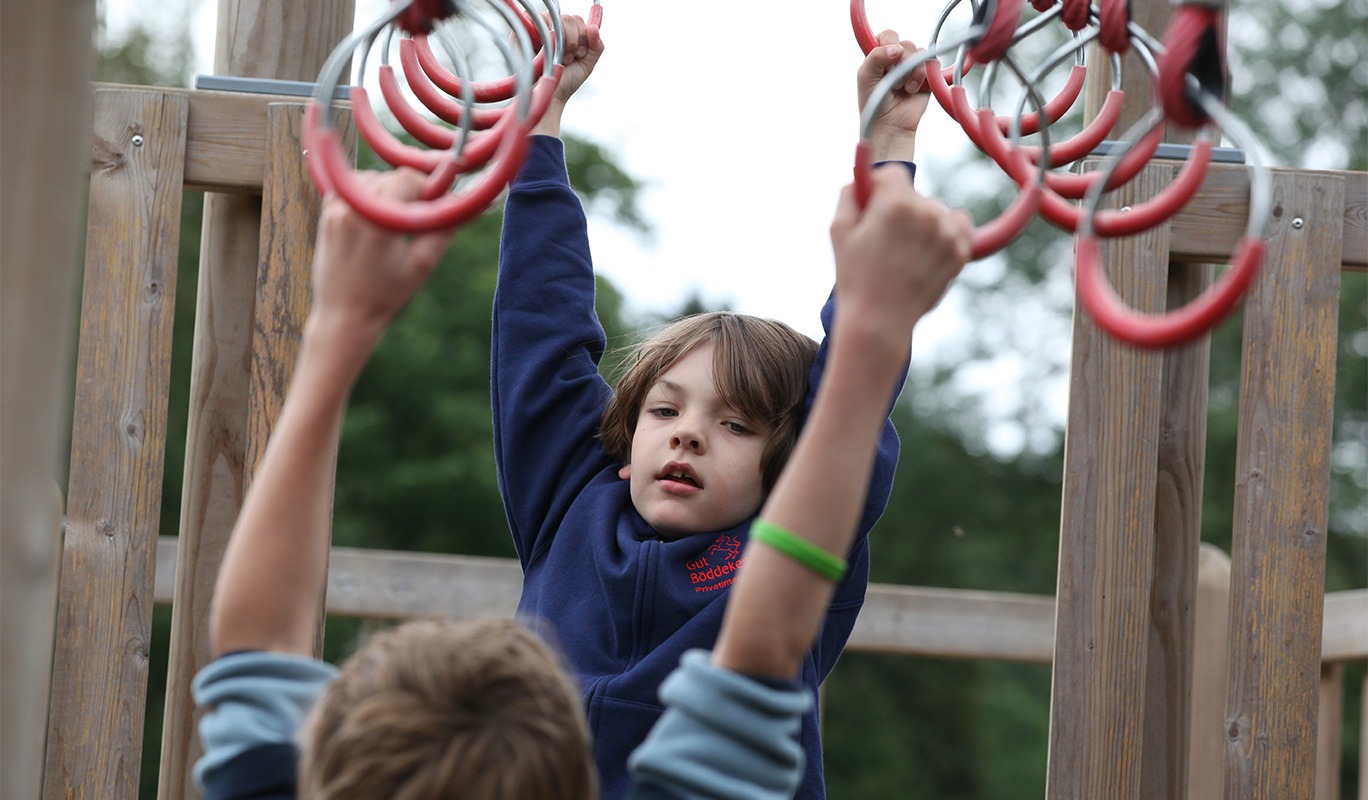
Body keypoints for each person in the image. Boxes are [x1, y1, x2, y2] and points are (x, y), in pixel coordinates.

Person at [492, 14, 941, 800]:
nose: (690, 435)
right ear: (626, 443)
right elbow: (539, 328)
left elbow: (857, 378)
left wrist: (888, 142)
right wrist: (541, 123)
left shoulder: (790, 548)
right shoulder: (570, 502)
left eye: (736, 425)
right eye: (665, 413)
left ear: (788, 469)